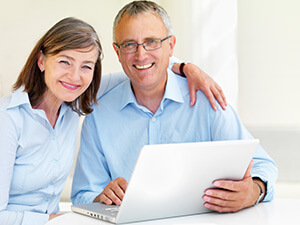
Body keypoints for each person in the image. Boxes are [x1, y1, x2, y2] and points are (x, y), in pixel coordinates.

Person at [0, 17, 227, 225]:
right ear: (42, 61)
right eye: (64, 62)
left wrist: (187, 68)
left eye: (86, 66)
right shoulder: (8, 119)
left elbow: (143, 68)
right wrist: (59, 220)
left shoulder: (74, 102)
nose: (74, 76)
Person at [71, 0, 278, 213]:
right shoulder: (99, 113)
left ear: (170, 45)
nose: (141, 55)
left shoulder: (207, 100)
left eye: (152, 41)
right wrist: (101, 197)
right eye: (129, 45)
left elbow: (264, 166)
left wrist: (253, 192)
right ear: (117, 51)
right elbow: (82, 195)